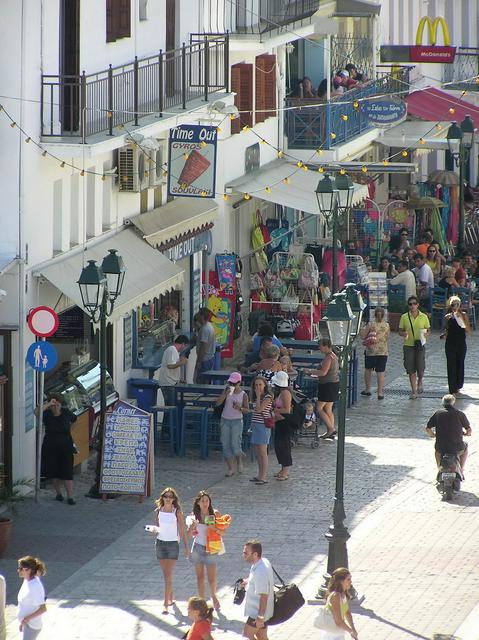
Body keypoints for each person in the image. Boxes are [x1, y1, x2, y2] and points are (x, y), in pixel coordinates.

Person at [148, 487, 189, 615]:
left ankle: (166, 604)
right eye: (166, 496)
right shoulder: (158, 511)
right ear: (162, 498)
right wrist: (153, 530)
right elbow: (158, 527)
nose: (168, 499)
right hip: (160, 543)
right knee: (166, 575)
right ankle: (171, 597)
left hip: (172, 544)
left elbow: (182, 530)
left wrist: (187, 548)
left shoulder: (177, 512)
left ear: (174, 499)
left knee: (167, 575)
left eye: (170, 497)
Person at [36, 394, 77, 505]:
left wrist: (70, 430)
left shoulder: (66, 412)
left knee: (67, 471)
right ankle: (58, 493)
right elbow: (36, 412)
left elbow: (75, 420)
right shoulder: (47, 414)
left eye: (57, 403)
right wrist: (48, 404)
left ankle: (70, 497)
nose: (56, 406)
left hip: (66, 446)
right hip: (50, 446)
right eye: (54, 404)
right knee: (54, 471)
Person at [187, 491, 224, 611]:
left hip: (210, 548)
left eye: (207, 500)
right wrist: (192, 527)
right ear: (197, 503)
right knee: (200, 577)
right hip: (197, 547)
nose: (205, 503)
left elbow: (223, 532)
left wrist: (214, 528)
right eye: (202, 501)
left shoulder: (215, 513)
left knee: (211, 577)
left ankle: (213, 595)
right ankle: (202, 601)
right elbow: (187, 536)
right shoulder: (194, 516)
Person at [425, 394, 471, 477]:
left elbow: (428, 428)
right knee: (466, 447)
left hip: (441, 447)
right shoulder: (460, 414)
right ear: (453, 403)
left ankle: (439, 468)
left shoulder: (438, 413)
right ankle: (461, 468)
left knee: (437, 452)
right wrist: (467, 433)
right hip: (457, 447)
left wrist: (432, 435)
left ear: (443, 403)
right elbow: (468, 429)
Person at [215, 372, 248, 476]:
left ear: (239, 382)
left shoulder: (244, 394)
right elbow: (217, 403)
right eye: (231, 383)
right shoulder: (226, 390)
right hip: (225, 419)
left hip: (237, 421)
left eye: (234, 383)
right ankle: (231, 468)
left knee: (235, 444)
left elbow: (247, 410)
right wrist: (225, 394)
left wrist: (240, 408)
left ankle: (239, 460)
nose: (232, 385)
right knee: (225, 444)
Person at [305, 338, 339, 439]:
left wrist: (310, 371)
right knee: (328, 409)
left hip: (327, 385)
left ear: (325, 346)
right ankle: (330, 430)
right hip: (333, 384)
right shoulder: (333, 356)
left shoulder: (329, 357)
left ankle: (331, 428)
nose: (319, 348)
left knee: (319, 408)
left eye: (320, 346)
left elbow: (323, 372)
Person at [398, 295, 431, 399]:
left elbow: (428, 330)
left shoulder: (424, 317)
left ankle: (420, 380)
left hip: (420, 345)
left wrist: (427, 334)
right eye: (410, 304)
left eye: (414, 304)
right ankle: (414, 391)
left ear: (418, 305)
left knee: (420, 367)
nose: (412, 306)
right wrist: (403, 334)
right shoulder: (404, 317)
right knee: (411, 368)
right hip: (408, 345)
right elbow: (400, 330)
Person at [242, 540, 275, 640]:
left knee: (247, 635)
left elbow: (264, 596)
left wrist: (260, 617)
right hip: (264, 612)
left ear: (255, 554)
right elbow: (260, 581)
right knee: (262, 637)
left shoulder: (260, 571)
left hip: (257, 612)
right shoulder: (262, 562)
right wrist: (248, 581)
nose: (243, 555)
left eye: (246, 553)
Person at [441, 296, 470, 395]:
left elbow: (468, 330)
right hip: (450, 343)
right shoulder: (447, 316)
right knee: (451, 365)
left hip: (461, 343)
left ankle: (458, 385)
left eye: (458, 304)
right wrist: (444, 335)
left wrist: (460, 318)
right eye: (453, 304)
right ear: (451, 305)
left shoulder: (464, 315)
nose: (455, 306)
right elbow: (447, 330)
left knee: (459, 364)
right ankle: (452, 388)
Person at [360, 307, 390, 400]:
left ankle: (368, 389)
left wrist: (361, 329)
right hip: (383, 351)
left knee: (368, 370)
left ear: (374, 314)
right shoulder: (387, 325)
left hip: (371, 351)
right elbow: (387, 337)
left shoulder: (371, 324)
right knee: (380, 372)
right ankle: (380, 392)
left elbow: (363, 336)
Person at [320, 567, 358, 640]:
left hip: (338, 632)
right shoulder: (336, 596)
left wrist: (353, 628)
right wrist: (350, 631)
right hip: (330, 634)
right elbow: (338, 621)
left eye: (350, 579)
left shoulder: (343, 594)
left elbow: (347, 612)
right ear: (341, 581)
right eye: (348, 579)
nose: (351, 582)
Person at [249, 376, 274, 485]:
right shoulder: (256, 397)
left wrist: (258, 396)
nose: (258, 387)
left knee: (263, 452)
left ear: (265, 385)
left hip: (263, 426)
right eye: (256, 385)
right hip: (256, 424)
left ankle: (263, 476)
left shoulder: (268, 397)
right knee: (258, 452)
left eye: (260, 384)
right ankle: (259, 475)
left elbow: (259, 409)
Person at [270, 371, 293, 480]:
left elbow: (287, 410)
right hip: (279, 421)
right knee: (279, 445)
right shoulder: (280, 392)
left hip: (285, 421)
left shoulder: (285, 393)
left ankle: (285, 470)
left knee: (284, 445)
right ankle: (283, 468)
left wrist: (274, 410)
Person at [17, 556, 47, 640]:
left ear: (28, 570)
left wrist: (26, 620)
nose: (18, 570)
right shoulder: (26, 581)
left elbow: (43, 609)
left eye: (20, 568)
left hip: (32, 625)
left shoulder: (35, 586)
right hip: (26, 624)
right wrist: (22, 622)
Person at [155, 335, 189, 405]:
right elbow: (170, 366)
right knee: (170, 407)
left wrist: (179, 380)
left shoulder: (174, 351)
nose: (184, 348)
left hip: (171, 382)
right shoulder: (172, 350)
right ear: (183, 344)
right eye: (185, 346)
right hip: (168, 384)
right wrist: (181, 363)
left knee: (171, 407)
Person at [194, 309, 216, 383]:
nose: (197, 316)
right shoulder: (208, 326)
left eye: (199, 314)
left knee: (202, 381)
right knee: (206, 380)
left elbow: (203, 347)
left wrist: (199, 361)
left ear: (202, 316)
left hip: (205, 360)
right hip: (209, 358)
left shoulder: (205, 329)